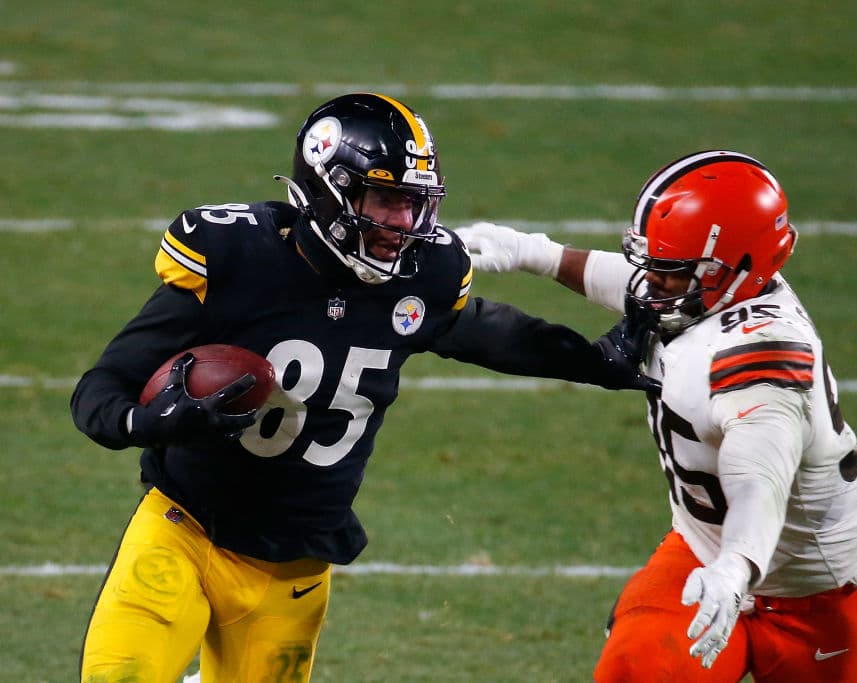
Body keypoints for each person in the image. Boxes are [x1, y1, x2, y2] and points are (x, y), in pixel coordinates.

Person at [69, 92, 657, 683]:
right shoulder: (236, 257)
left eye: (413, 203)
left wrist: (599, 362)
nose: (403, 222)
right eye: (385, 199)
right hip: (183, 532)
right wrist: (143, 424)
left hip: (294, 568)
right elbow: (102, 386)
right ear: (327, 189)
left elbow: (486, 333)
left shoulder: (423, 274)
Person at [456, 150, 857, 682]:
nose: (650, 282)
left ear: (733, 269)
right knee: (636, 671)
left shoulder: (765, 357)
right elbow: (638, 281)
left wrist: (735, 569)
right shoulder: (709, 292)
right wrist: (535, 253)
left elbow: (759, 483)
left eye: (669, 271)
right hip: (700, 551)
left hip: (810, 587)